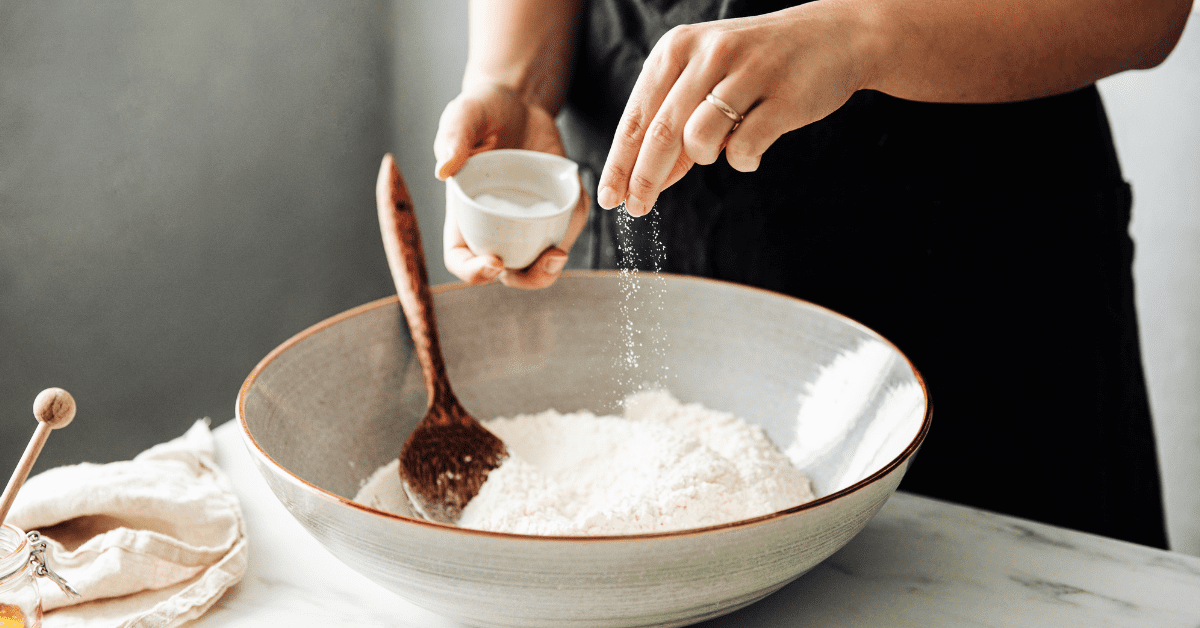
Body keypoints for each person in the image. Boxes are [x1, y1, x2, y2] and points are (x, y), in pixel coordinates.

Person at [431, 0, 1193, 549]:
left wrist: (861, 32)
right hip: (648, 203)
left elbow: (1147, 12)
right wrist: (515, 85)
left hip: (981, 281)